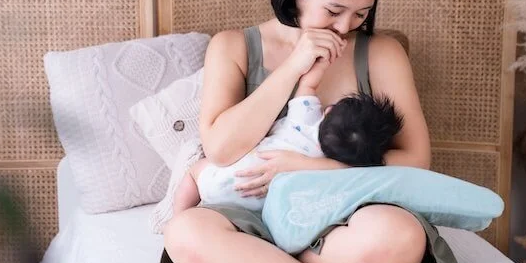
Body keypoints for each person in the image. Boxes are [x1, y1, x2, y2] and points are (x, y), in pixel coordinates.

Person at [161, 0, 459, 263]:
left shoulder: (382, 53)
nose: (344, 27)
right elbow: (220, 149)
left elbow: (416, 160)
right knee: (185, 234)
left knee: (399, 238)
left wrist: (309, 167)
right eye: (334, 10)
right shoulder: (233, 46)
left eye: (360, 14)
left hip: (345, 215)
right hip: (249, 217)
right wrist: (293, 67)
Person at [171, 55, 404, 215]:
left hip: (227, 177)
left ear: (330, 110)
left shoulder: (304, 121)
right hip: (260, 205)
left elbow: (308, 85)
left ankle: (178, 221)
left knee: (194, 172)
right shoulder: (329, 169)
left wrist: (322, 63)